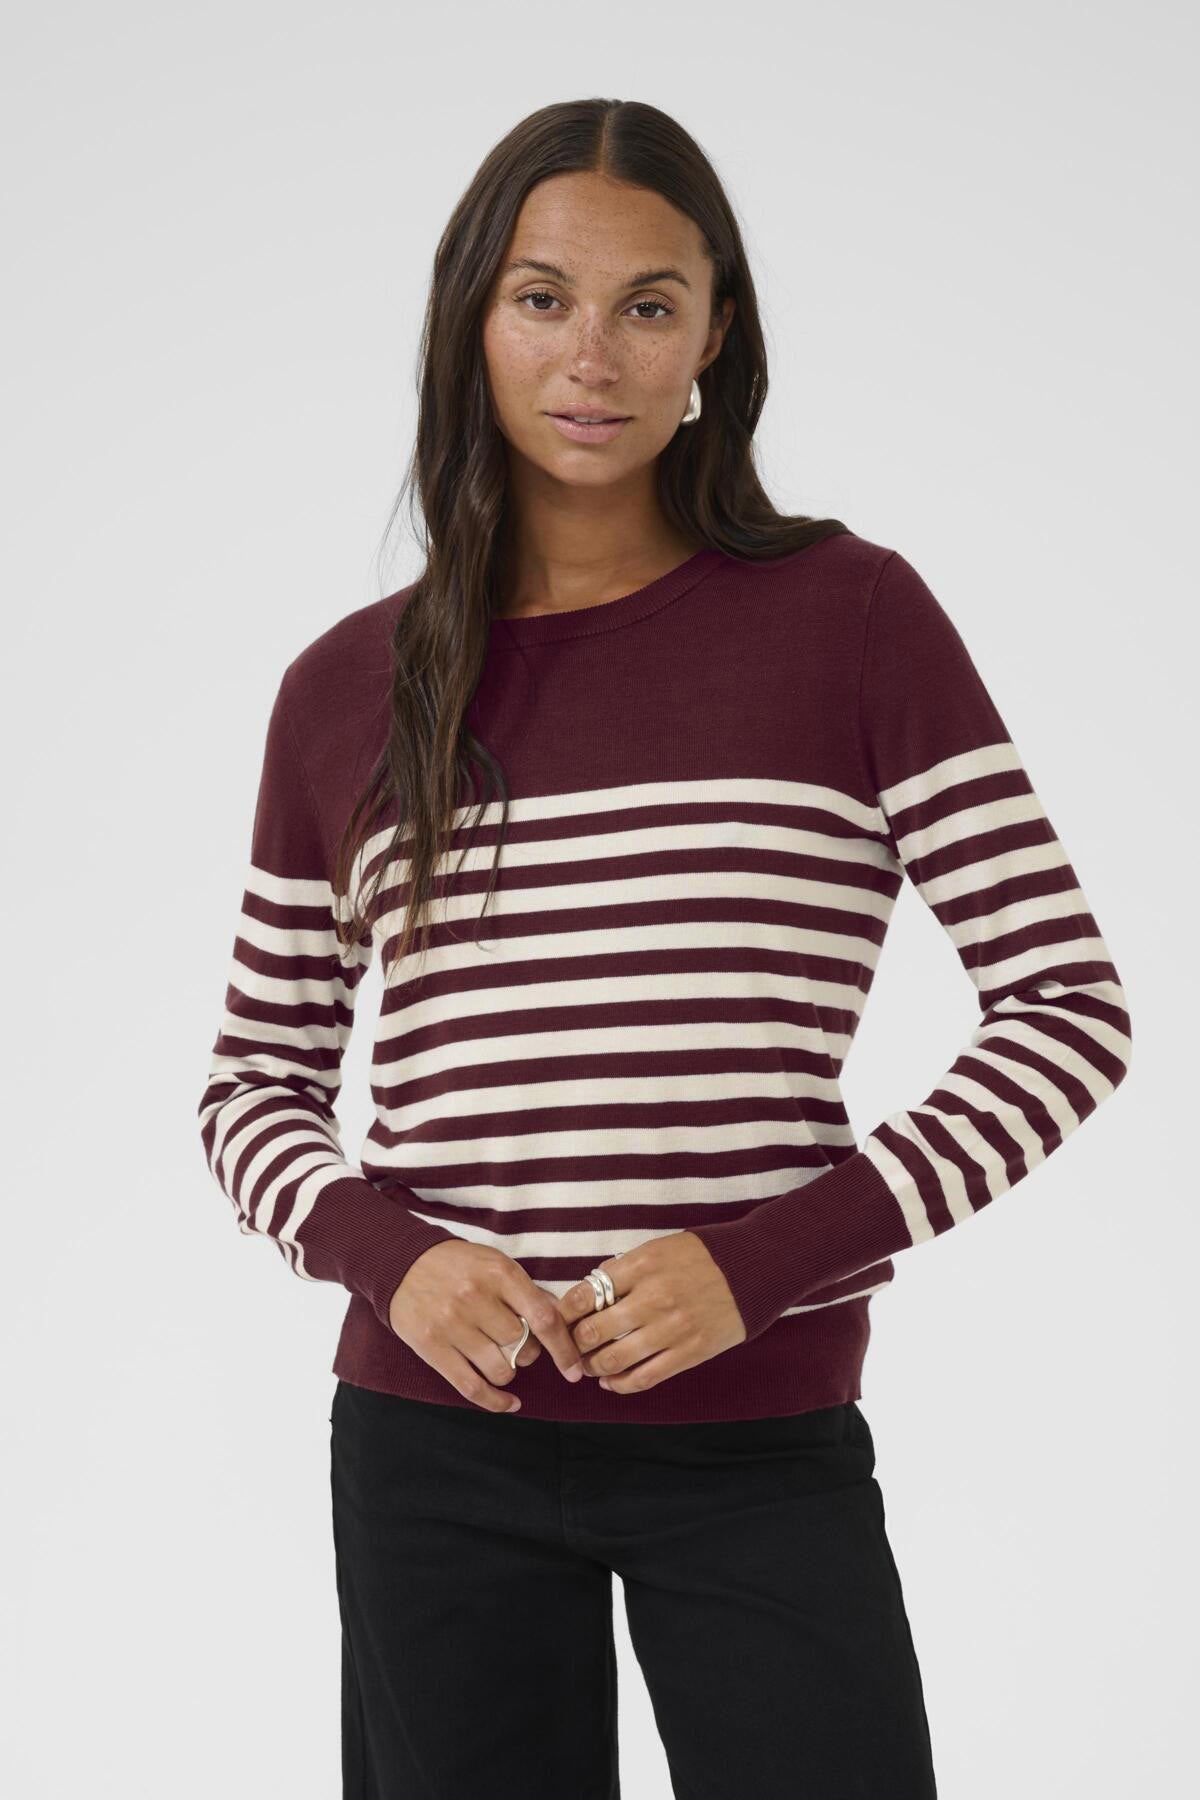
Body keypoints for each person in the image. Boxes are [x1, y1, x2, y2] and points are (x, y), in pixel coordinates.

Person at [197, 98, 1132, 1800]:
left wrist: (763, 1265)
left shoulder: (850, 618)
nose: (593, 356)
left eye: (648, 304)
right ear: (472, 321)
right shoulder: (347, 688)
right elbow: (254, 1080)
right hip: (433, 1451)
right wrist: (389, 1257)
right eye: (542, 298)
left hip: (756, 1438)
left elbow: (1067, 1012)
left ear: (715, 333)